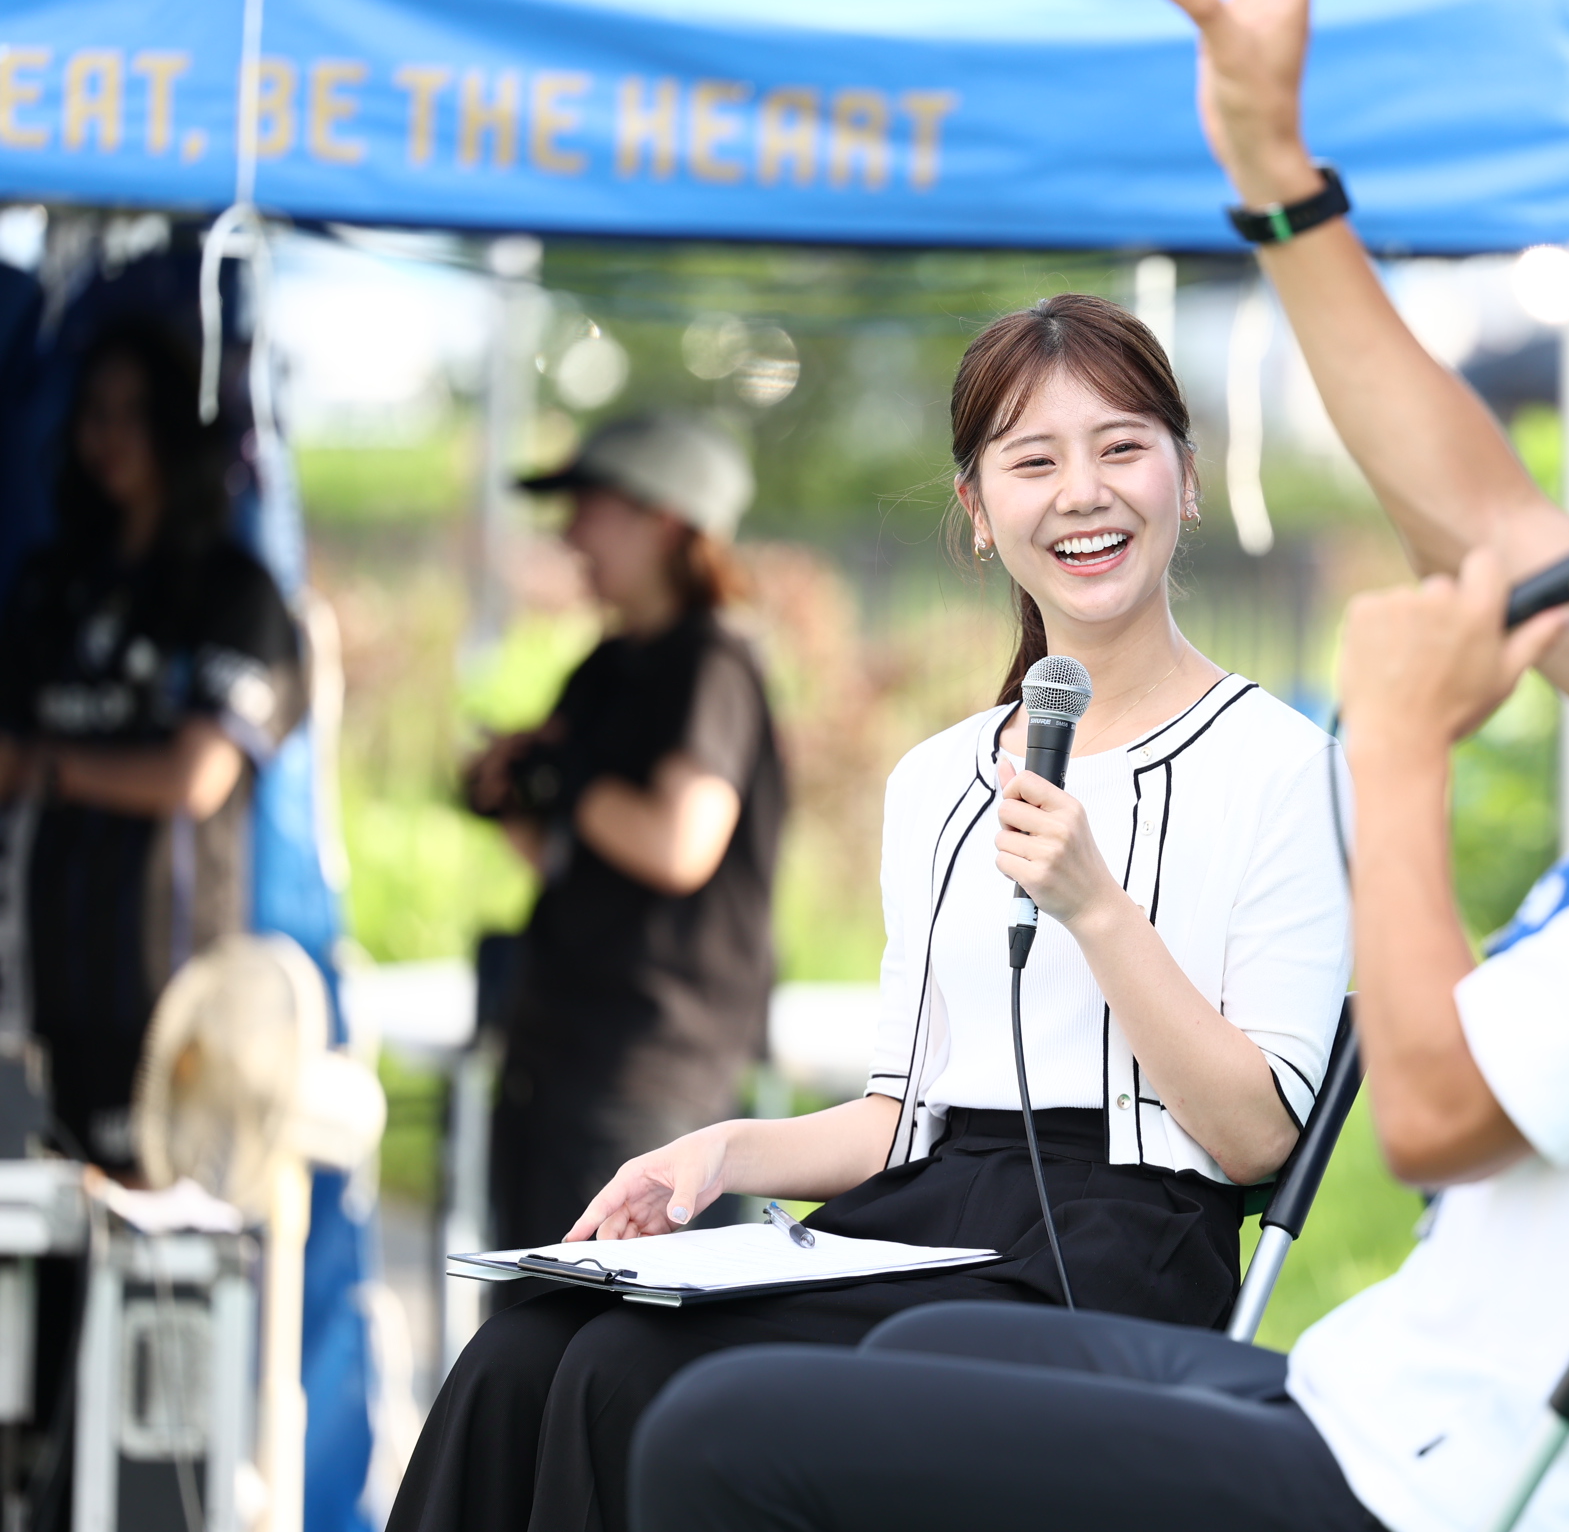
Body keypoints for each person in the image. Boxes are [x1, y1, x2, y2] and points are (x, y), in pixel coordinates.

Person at [620, 0, 1569, 1530]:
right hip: (1395, 1409)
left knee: (721, 1433)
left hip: (1456, 1491)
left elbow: (1432, 1115)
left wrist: (1396, 759)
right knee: (917, 1342)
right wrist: (1275, 173)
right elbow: (1478, 511)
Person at [387, 295, 1351, 1532]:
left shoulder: (1283, 765)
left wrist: (1095, 908)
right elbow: (905, 1117)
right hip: (928, 1215)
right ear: (977, 510)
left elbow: (1260, 1136)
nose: (1083, 493)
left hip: (1123, 1244)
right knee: (527, 1351)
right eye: (1034, 460)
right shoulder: (938, 777)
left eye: (1120, 447)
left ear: (1186, 473)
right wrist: (720, 1152)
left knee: (631, 1376)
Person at [465, 413, 787, 1261]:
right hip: (555, 1054)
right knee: (533, 1335)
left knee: (609, 1352)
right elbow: (572, 857)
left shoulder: (713, 662)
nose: (569, 533)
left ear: (667, 519)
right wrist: (513, 798)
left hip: (645, 1075)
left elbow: (678, 843)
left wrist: (570, 774)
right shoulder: (608, 665)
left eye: (591, 506)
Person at [0, 318, 302, 1169]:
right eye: (94, 412)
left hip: (172, 995)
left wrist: (46, 770)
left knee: (152, 1254)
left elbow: (195, 776)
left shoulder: (236, 593)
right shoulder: (48, 585)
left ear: (177, 428)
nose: (109, 435)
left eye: (134, 412)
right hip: (36, 984)